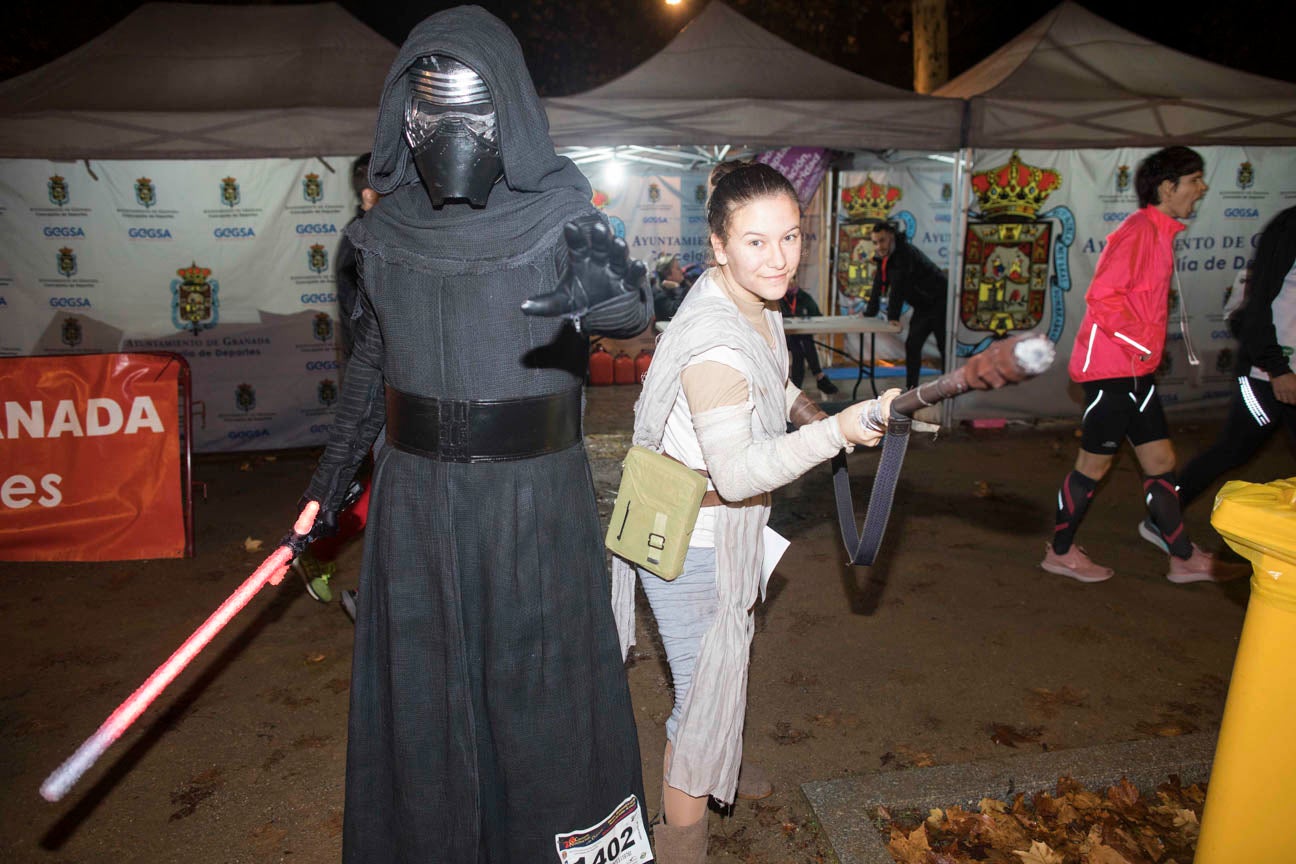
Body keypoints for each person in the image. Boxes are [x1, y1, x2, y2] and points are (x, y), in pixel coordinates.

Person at [285, 8, 651, 862]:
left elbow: (632, 306)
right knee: (424, 698)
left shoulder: (561, 212)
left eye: (472, 108)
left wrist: (603, 295)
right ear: (401, 117)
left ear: (512, 112)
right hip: (415, 501)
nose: (452, 130)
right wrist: (327, 485)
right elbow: (370, 364)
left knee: (545, 700)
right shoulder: (377, 237)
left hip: (534, 500)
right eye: (431, 108)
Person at [614, 161, 902, 863]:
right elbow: (740, 473)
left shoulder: (754, 301)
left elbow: (776, 375)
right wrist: (836, 432)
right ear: (718, 245)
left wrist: (812, 412)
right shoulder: (716, 341)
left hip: (718, 530)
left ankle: (728, 773)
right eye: (755, 242)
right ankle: (682, 843)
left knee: (725, 666)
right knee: (700, 705)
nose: (778, 258)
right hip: (693, 538)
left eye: (790, 237)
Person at [1041, 146, 1243, 585]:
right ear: (1168, 187)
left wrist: (1144, 357)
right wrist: (1141, 348)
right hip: (1114, 373)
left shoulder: (1159, 232)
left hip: (1136, 371)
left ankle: (1182, 557)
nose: (1202, 188)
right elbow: (1103, 298)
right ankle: (1059, 552)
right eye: (1194, 180)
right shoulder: (1138, 232)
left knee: (1160, 460)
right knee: (1092, 467)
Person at [1150, 205, 1295, 531]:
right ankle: (1162, 519)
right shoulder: (1290, 227)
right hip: (1267, 376)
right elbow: (1256, 306)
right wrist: (1277, 367)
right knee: (1233, 449)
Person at [294, 153, 379, 617]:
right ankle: (319, 548)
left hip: (383, 387)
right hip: (378, 388)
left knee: (383, 488)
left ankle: (322, 549)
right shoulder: (362, 244)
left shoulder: (369, 239)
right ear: (369, 194)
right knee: (385, 488)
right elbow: (372, 332)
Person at [862, 221, 948, 389]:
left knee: (944, 346)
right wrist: (870, 313)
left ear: (891, 237)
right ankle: (911, 389)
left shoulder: (904, 254)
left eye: (882, 240)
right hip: (923, 306)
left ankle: (948, 387)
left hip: (939, 302)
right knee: (912, 346)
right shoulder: (885, 258)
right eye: (875, 242)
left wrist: (893, 317)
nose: (879, 246)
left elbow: (898, 288)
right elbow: (878, 284)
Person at [778, 279, 838, 394]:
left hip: (801, 335)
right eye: (788, 281)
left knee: (802, 346)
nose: (791, 284)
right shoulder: (778, 297)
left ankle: (797, 389)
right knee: (803, 344)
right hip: (784, 337)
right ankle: (819, 377)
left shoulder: (803, 297)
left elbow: (817, 315)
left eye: (793, 281)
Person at [653, 252, 688, 321]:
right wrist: (677, 288)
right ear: (668, 274)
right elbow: (675, 313)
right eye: (678, 268)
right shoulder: (659, 294)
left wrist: (683, 283)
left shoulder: (681, 286)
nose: (682, 270)